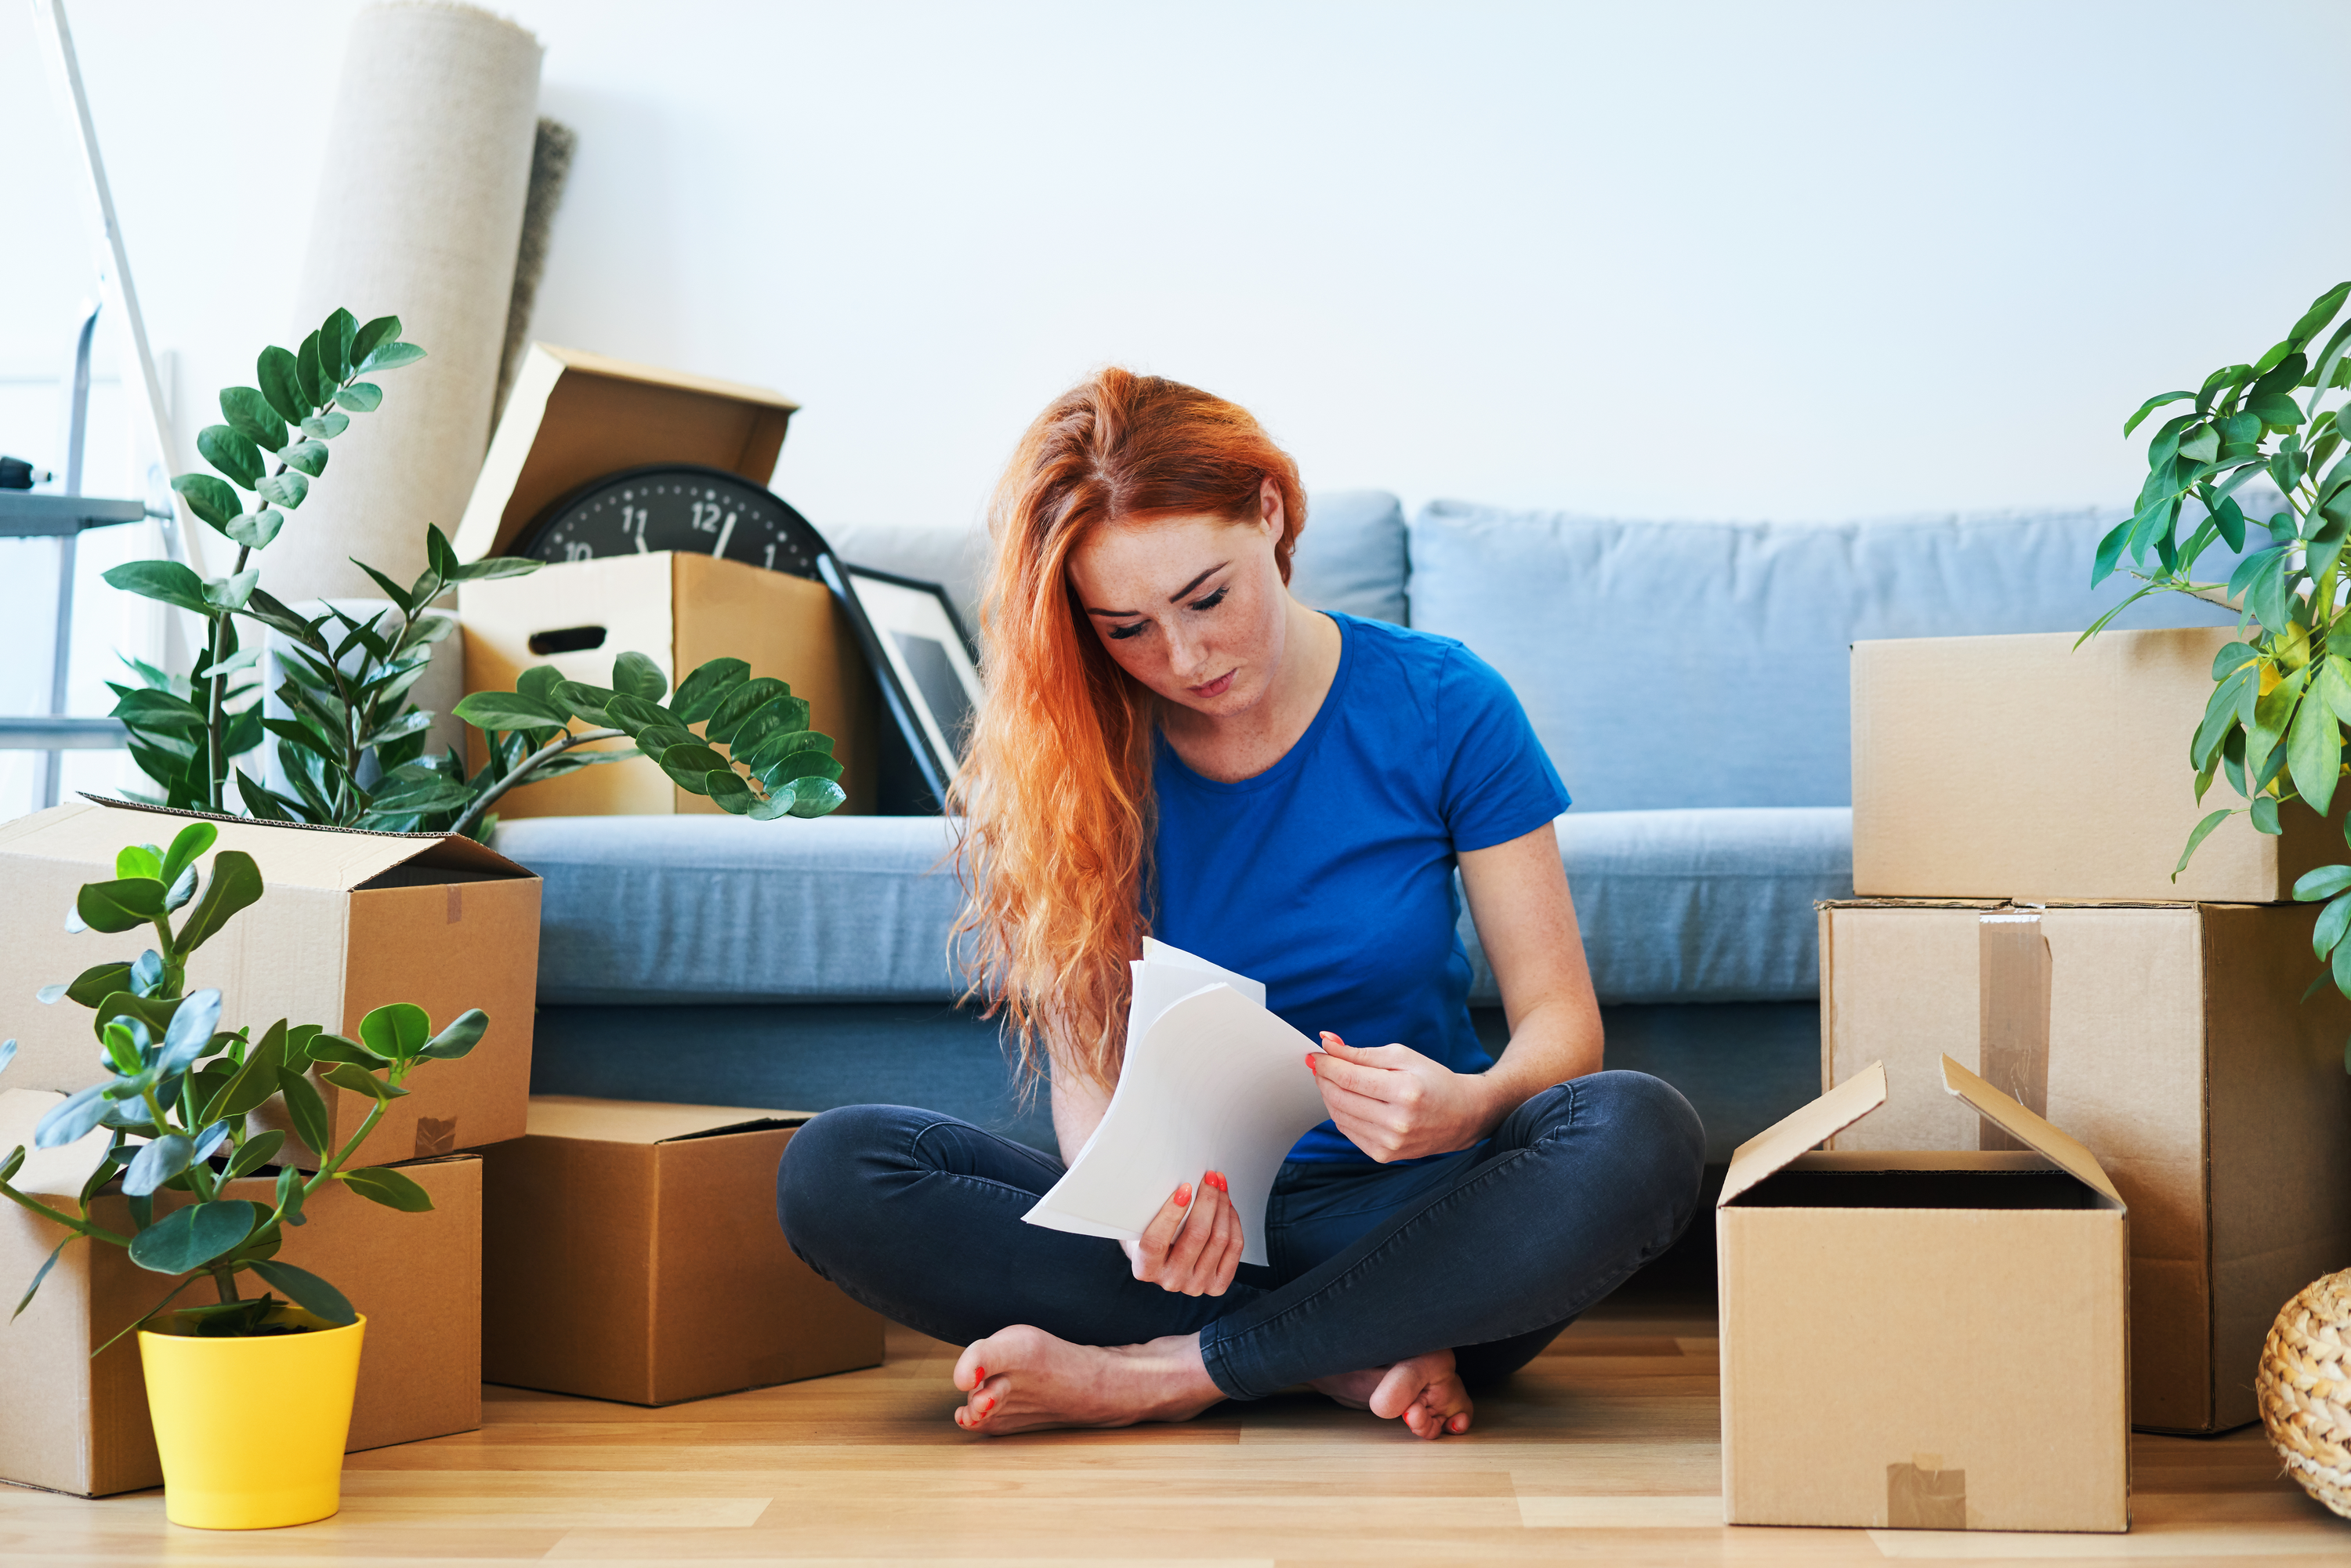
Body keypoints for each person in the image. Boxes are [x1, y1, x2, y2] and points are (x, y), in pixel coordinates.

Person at [777, 369, 1704, 1439]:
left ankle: (1166, 1377)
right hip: (1196, 1249)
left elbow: (1561, 1024)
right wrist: (1145, 1205)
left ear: (1270, 511)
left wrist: (1473, 1102)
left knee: (1640, 1132)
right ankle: (1340, 1359)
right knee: (836, 1170)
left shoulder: (1446, 703)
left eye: (1208, 598)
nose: (1185, 658)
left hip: (1418, 1223)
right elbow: (1087, 1075)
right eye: (1127, 628)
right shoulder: (1075, 752)